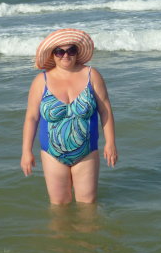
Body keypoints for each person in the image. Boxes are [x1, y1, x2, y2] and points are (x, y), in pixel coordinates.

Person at [21, 28, 118, 204]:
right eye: (60, 51)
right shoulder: (41, 81)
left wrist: (110, 143)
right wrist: (26, 151)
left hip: (87, 153)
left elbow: (105, 111)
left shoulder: (92, 76)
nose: (65, 55)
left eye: (71, 50)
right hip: (52, 154)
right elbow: (31, 118)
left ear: (77, 52)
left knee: (88, 205)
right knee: (59, 206)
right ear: (53, 54)